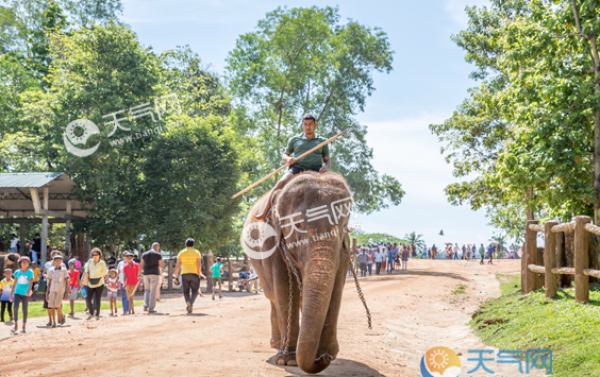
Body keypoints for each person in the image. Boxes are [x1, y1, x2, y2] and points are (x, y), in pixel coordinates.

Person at [253, 114, 331, 221]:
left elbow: (327, 160)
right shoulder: (295, 139)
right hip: (297, 169)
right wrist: (288, 160)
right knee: (280, 183)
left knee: (332, 190)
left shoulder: (322, 141)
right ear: (302, 125)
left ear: (315, 125)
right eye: (305, 124)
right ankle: (264, 213)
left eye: (310, 124)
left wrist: (326, 167)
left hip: (316, 171)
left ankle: (342, 224)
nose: (308, 127)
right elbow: (285, 155)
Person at [174, 238, 206, 313]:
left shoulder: (181, 252)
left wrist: (176, 276)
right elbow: (199, 264)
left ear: (186, 244)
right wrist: (199, 273)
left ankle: (189, 305)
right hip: (194, 273)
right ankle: (190, 302)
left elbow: (178, 265)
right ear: (193, 245)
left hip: (184, 274)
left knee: (186, 291)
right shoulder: (197, 252)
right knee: (195, 290)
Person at [10, 256, 34, 334]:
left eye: (26, 262)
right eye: (23, 262)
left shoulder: (30, 272)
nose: (25, 263)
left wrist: (29, 290)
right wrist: (11, 295)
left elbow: (31, 282)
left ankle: (23, 327)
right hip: (17, 292)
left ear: (28, 264)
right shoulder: (17, 272)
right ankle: (15, 326)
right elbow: (14, 284)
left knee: (24, 309)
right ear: (20, 263)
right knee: (15, 307)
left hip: (26, 293)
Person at [46, 254, 69, 327]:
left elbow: (66, 281)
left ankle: (61, 316)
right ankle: (54, 322)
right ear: (54, 261)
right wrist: (47, 293)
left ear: (62, 261)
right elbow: (49, 282)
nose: (58, 262)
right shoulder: (51, 270)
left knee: (57, 305)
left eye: (60, 261)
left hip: (60, 291)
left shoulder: (64, 270)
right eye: (56, 261)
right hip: (52, 290)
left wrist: (67, 293)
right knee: (51, 306)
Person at [84, 248, 107, 320]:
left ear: (99, 255)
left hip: (100, 283)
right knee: (88, 298)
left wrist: (109, 281)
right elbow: (86, 272)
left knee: (97, 299)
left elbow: (104, 273)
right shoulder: (89, 262)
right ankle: (91, 313)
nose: (95, 256)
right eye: (93, 255)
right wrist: (82, 281)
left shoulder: (102, 263)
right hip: (90, 283)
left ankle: (97, 314)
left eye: (96, 254)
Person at [141, 242, 163, 313]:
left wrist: (139, 274)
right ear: (157, 247)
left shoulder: (144, 254)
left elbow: (141, 265)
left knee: (147, 290)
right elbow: (161, 265)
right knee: (153, 291)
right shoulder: (158, 254)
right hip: (154, 273)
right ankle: (151, 308)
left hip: (146, 273)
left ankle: (145, 304)